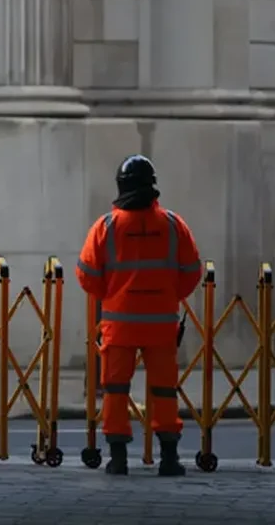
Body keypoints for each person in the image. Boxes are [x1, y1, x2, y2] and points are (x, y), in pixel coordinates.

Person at [75, 154, 202, 476]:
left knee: (116, 391)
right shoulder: (174, 225)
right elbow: (191, 272)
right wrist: (169, 296)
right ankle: (169, 458)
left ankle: (118, 459)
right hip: (161, 325)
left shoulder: (106, 227)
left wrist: (113, 293)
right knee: (164, 391)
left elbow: (87, 275)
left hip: (120, 324)